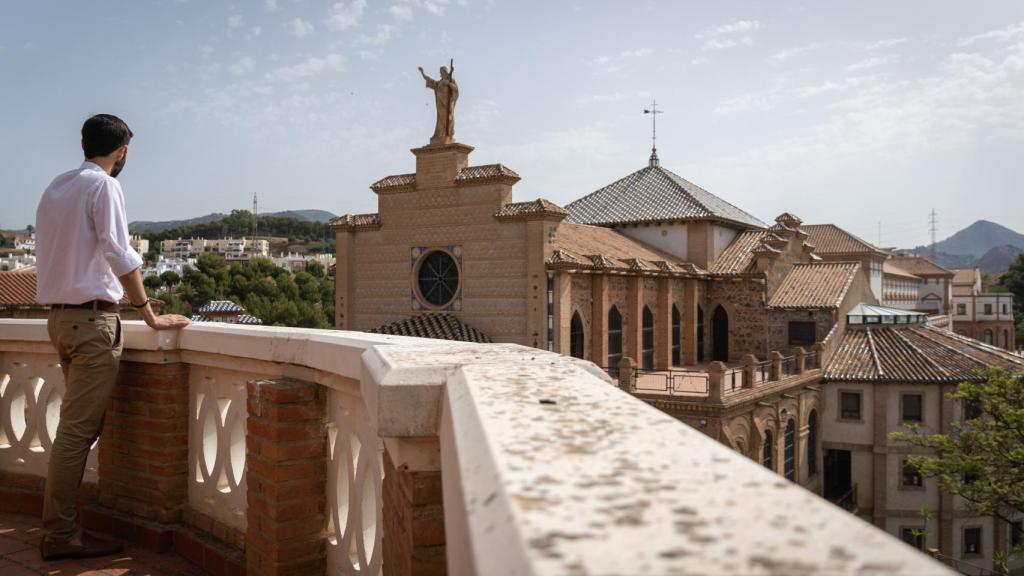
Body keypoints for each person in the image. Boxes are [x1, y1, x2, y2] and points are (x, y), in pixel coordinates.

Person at [34, 114, 190, 561]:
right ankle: (60, 535)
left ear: (85, 143)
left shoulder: (56, 188)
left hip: (60, 321)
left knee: (79, 428)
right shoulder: (104, 186)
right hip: (91, 323)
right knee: (76, 432)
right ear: (121, 151)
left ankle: (63, 527)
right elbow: (118, 250)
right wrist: (147, 312)